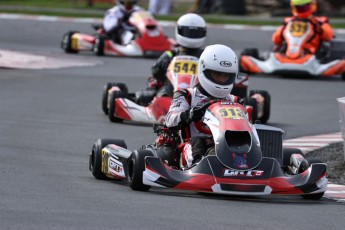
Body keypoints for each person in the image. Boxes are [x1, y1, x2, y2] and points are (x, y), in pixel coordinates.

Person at [164, 44, 241, 167]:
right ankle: (200, 166)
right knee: (198, 142)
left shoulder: (234, 100)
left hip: (225, 144)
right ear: (204, 71)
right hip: (194, 144)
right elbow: (169, 120)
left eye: (226, 76)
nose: (222, 80)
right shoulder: (187, 95)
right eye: (217, 74)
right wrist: (190, 114)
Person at [135, 13, 207, 105]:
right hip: (174, 90)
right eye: (189, 33)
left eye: (195, 33)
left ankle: (165, 108)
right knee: (161, 92)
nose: (191, 36)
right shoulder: (205, 55)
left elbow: (156, 71)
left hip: (197, 92)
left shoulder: (170, 54)